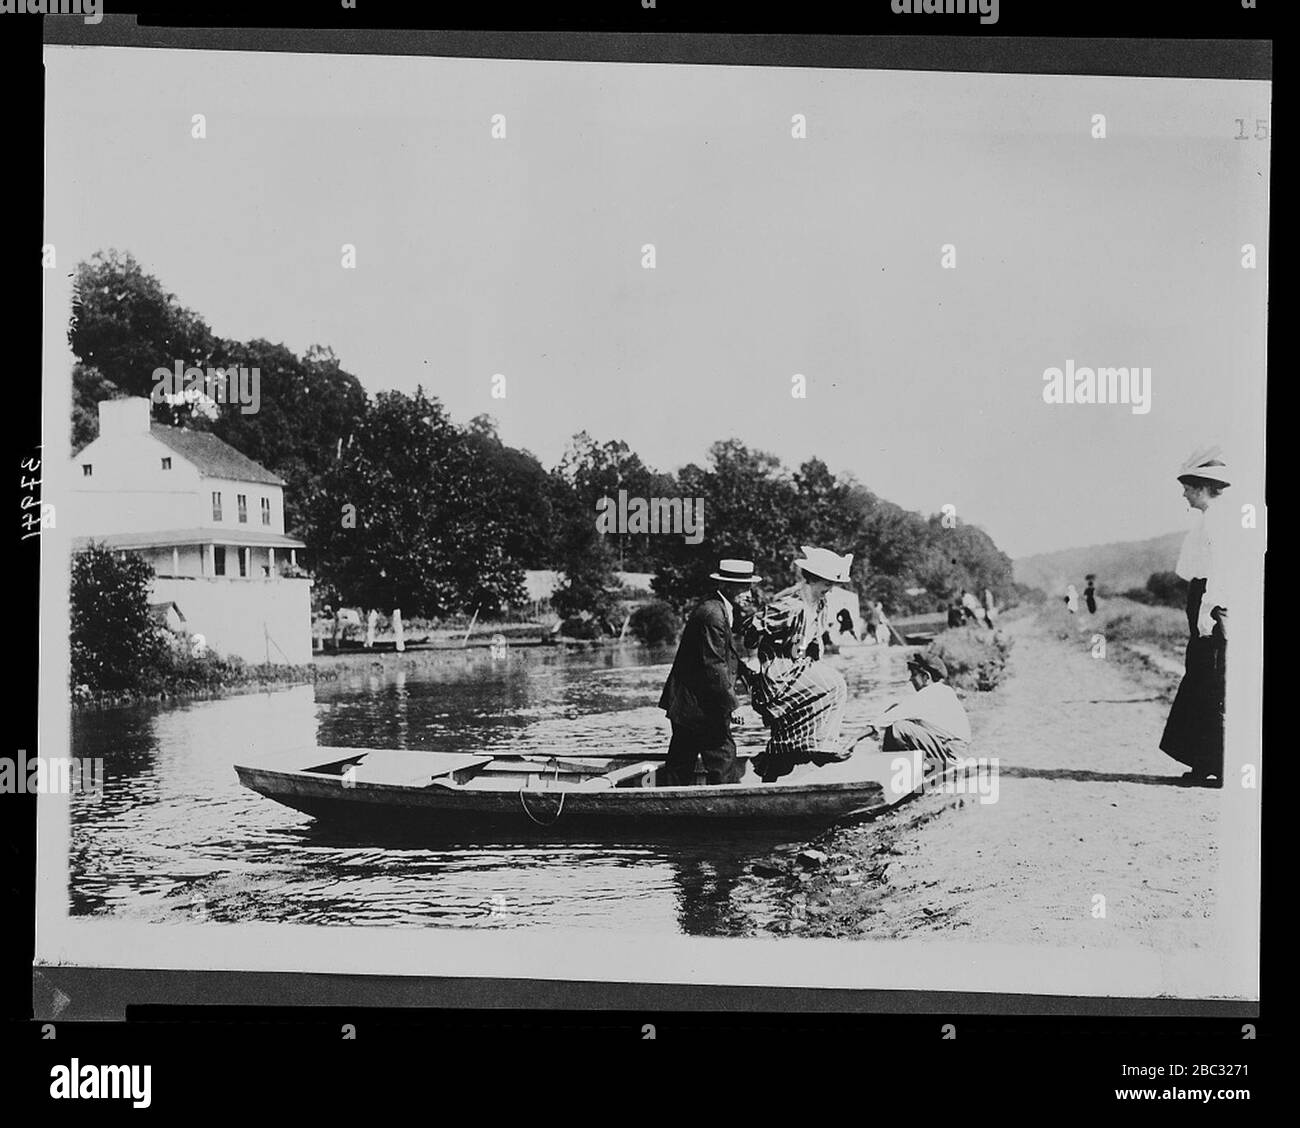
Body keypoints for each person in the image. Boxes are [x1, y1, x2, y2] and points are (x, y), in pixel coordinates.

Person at [741, 546, 852, 782]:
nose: (829, 589)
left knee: (829, 686)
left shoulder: (820, 605)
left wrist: (815, 659)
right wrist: (752, 659)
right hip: (776, 675)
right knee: (835, 685)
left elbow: (813, 641)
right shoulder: (792, 606)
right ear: (813, 579)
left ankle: (792, 754)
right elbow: (753, 626)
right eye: (826, 583)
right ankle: (821, 746)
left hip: (797, 669)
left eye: (832, 584)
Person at [1160, 449, 1230, 787]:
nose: (1184, 493)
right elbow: (1189, 570)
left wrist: (1207, 613)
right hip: (1202, 599)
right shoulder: (1205, 521)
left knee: (1213, 683)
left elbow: (1219, 572)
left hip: (1212, 604)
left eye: (1188, 487)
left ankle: (1221, 765)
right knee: (1200, 681)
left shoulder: (1218, 521)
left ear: (1201, 488)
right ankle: (1204, 762)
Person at [657, 558, 761, 786]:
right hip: (700, 706)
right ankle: (727, 809)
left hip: (690, 704)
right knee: (722, 756)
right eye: (743, 587)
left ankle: (672, 809)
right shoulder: (713, 614)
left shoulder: (718, 608)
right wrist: (732, 705)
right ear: (727, 586)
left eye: (749, 587)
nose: (748, 593)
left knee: (681, 761)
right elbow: (713, 665)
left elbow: (726, 657)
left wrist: (752, 677)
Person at [858, 652, 970, 768]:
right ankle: (897, 766)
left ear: (926, 677)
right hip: (954, 751)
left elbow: (886, 719)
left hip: (953, 755)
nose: (910, 679)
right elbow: (898, 710)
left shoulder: (930, 694)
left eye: (914, 674)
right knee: (899, 719)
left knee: (899, 727)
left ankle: (886, 770)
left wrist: (853, 740)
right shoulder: (943, 691)